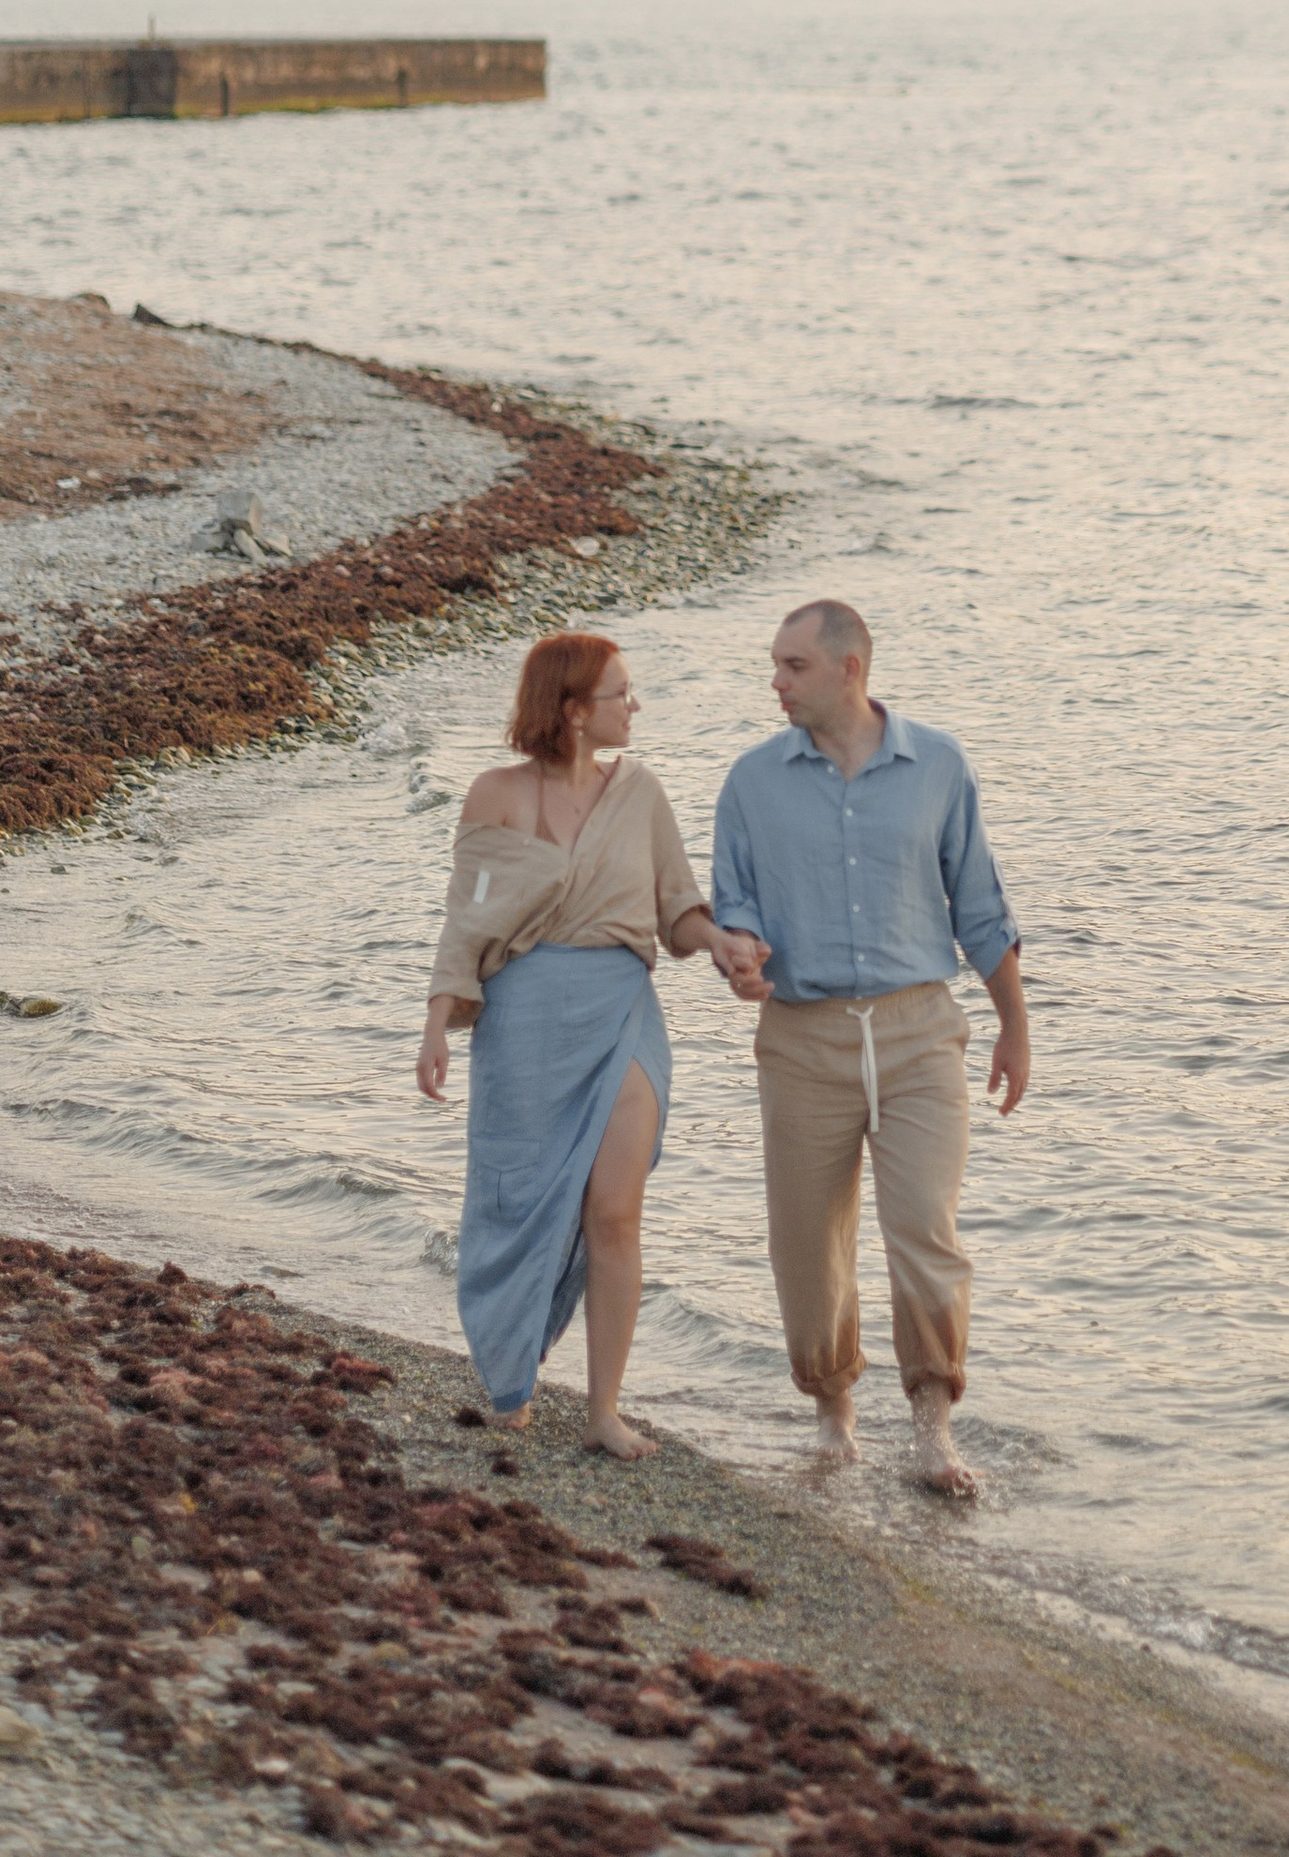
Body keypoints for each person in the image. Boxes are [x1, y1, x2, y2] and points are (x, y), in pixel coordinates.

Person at [709, 597, 1029, 1497]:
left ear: (851, 669)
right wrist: (738, 955)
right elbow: (732, 903)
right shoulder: (750, 782)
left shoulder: (939, 767)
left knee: (924, 1226)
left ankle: (933, 1425)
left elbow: (981, 907)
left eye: (793, 666)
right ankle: (833, 1417)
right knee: (809, 1244)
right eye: (775, 665)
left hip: (921, 1032)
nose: (775, 682)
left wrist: (1014, 1026)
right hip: (802, 1038)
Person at [417, 631, 723, 1454]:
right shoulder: (497, 795)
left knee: (614, 1212)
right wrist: (437, 1024)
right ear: (574, 710)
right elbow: (466, 920)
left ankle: (603, 1413)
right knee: (518, 1203)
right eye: (621, 693)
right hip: (524, 1021)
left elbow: (679, 912)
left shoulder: (643, 794)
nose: (635, 705)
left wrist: (722, 940)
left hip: (622, 1009)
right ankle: (514, 1369)